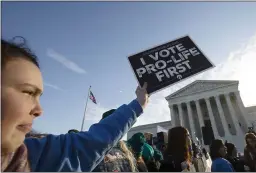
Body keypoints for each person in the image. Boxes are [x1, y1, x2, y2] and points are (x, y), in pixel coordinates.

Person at [1, 37, 149, 172]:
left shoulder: (27, 155)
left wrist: (137, 106)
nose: (39, 110)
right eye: (28, 92)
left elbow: (84, 147)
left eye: (39, 96)